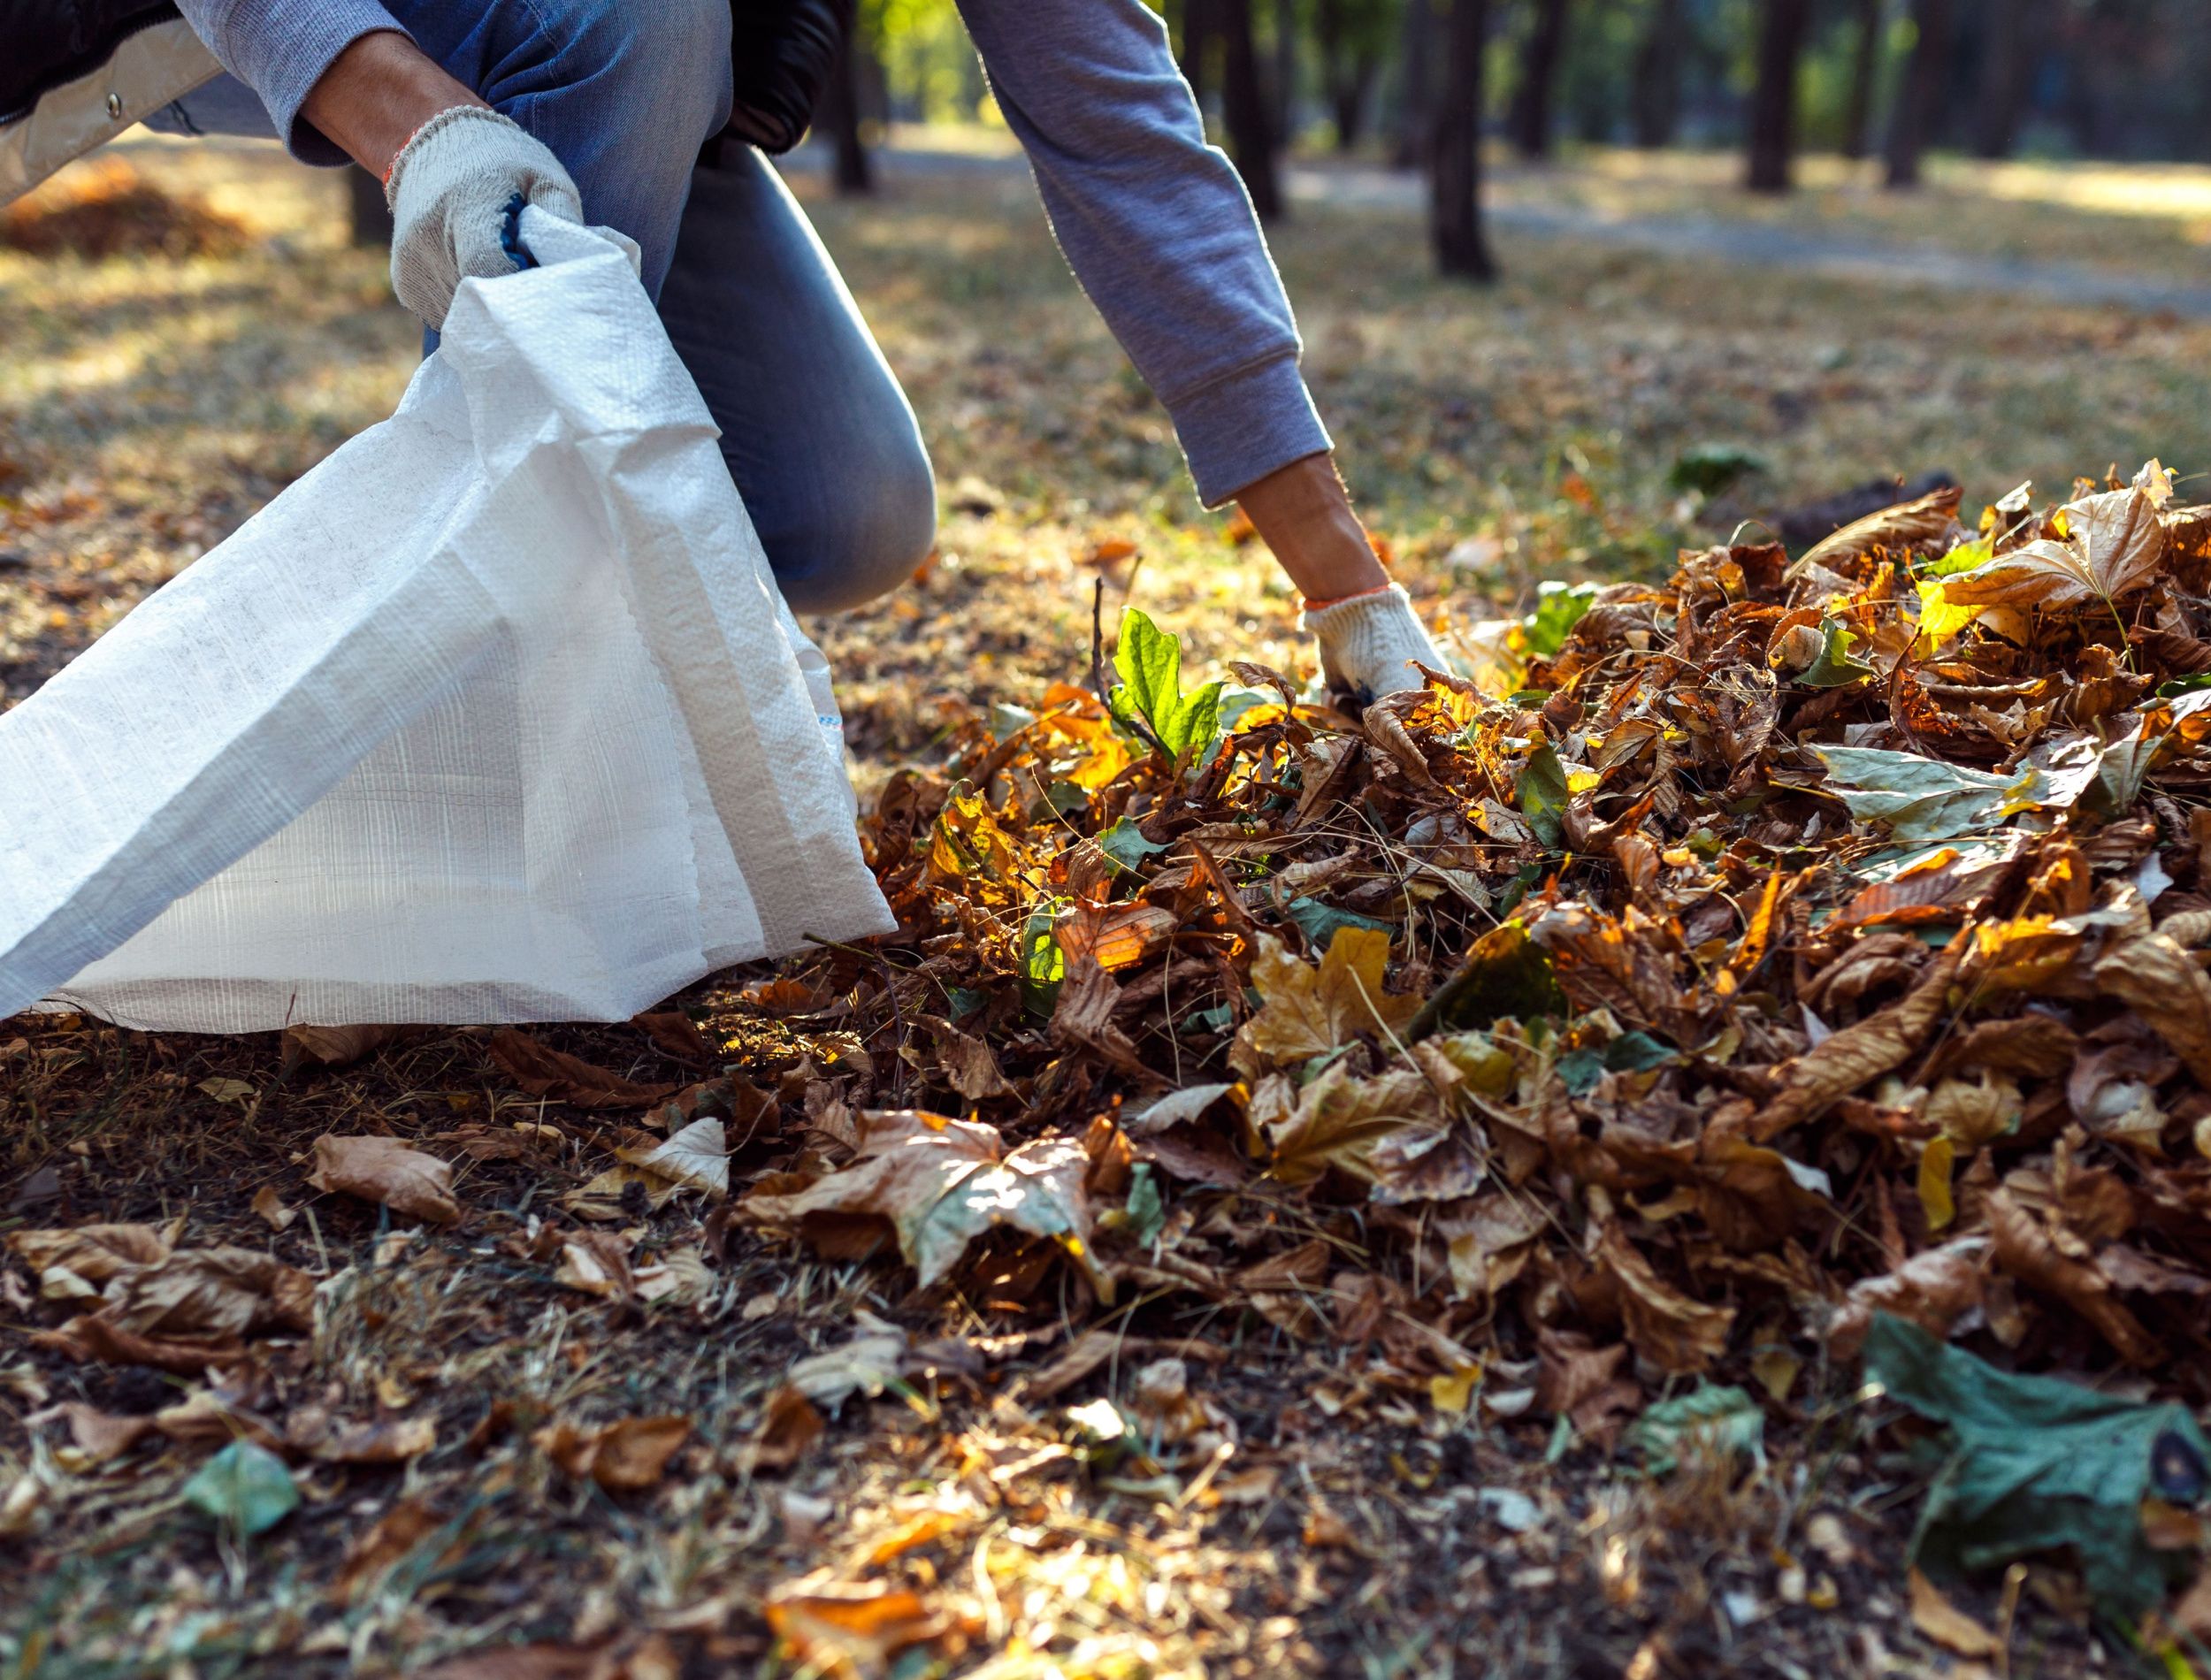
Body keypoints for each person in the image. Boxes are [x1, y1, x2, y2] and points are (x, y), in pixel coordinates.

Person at [3, 0, 1442, 704]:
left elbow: (1118, 123)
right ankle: (460, 712)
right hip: (219, 22)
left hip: (589, 42)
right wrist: (405, 121)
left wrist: (1352, 597)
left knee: (839, 509)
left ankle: (562, 650)